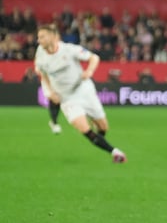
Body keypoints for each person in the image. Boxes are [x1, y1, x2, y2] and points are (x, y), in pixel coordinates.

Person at [34, 24, 127, 163]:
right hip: (67, 98)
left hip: (83, 90)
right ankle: (115, 153)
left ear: (53, 37)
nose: (39, 40)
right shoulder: (40, 54)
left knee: (103, 127)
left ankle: (100, 140)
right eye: (38, 37)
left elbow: (94, 58)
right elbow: (43, 74)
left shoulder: (69, 49)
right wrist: (50, 91)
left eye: (42, 37)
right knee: (84, 129)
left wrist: (89, 71)